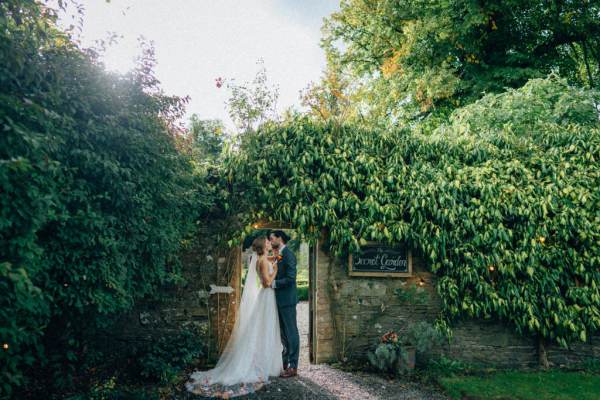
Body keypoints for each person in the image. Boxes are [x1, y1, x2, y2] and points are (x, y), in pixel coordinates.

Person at [186, 237, 283, 398]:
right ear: (262, 246)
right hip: (266, 295)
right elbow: (266, 283)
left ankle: (264, 361)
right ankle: (261, 364)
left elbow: (274, 258)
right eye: (267, 242)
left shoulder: (261, 258)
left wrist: (277, 257)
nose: (269, 243)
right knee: (265, 328)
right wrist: (276, 271)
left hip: (266, 298)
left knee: (264, 328)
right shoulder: (263, 262)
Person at [269, 230, 299, 378]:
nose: (270, 241)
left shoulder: (288, 254)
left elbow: (291, 278)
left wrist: (273, 283)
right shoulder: (278, 254)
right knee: (283, 334)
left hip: (287, 300)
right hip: (278, 301)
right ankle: (284, 363)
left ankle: (293, 366)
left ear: (279, 238)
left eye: (272, 238)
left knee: (291, 332)